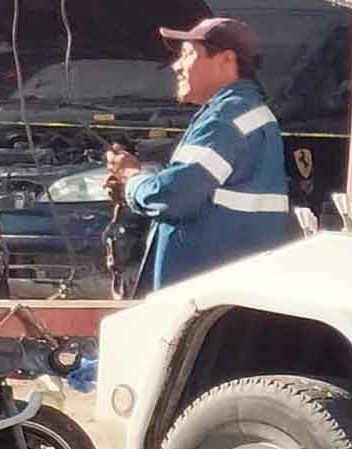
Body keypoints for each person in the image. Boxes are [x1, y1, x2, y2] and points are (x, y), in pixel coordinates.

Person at [105, 17, 298, 293]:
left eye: (187, 54)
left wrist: (131, 179)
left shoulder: (226, 118)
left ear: (226, 60)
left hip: (206, 297)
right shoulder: (244, 112)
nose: (176, 66)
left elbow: (174, 195)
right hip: (227, 293)